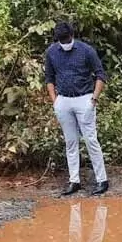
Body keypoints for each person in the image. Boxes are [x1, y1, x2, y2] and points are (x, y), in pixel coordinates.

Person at [44, 21, 109, 197]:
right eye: (61, 40)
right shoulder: (51, 52)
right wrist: (55, 101)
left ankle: (102, 179)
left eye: (67, 39)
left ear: (72, 35)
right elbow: (49, 78)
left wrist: (94, 99)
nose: (65, 43)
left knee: (90, 140)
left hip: (85, 99)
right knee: (70, 142)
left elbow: (101, 74)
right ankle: (74, 181)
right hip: (63, 100)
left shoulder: (86, 50)